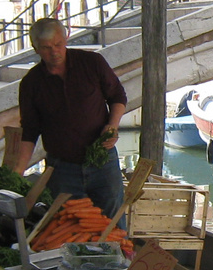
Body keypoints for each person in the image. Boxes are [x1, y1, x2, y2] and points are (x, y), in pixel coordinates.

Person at [10, 17, 129, 221]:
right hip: (62, 169)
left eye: (58, 44)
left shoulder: (92, 63)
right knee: (69, 226)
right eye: (46, 48)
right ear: (36, 48)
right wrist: (18, 170)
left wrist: (112, 125)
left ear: (65, 39)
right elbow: (30, 130)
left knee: (113, 223)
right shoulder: (31, 83)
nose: (54, 52)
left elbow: (117, 96)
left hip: (102, 161)